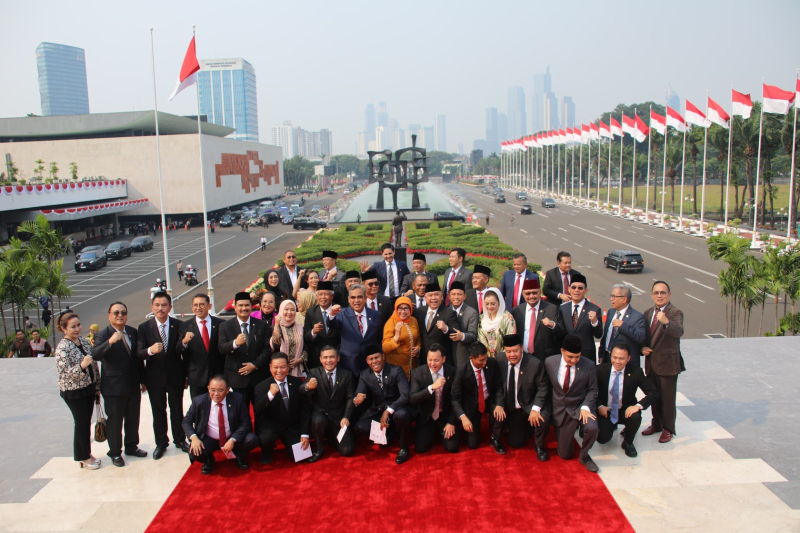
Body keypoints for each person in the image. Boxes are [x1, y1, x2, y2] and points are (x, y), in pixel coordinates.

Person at [92, 302, 146, 467]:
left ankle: (131, 446)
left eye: (123, 312)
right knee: (115, 422)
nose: (119, 315)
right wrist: (110, 342)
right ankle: (115, 452)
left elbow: (137, 358)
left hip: (132, 384)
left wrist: (143, 380)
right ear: (109, 315)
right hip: (114, 387)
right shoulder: (103, 334)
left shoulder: (132, 332)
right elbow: (95, 355)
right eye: (116, 313)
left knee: (133, 418)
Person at [137, 292, 189, 459]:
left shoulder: (178, 325)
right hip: (154, 377)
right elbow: (139, 353)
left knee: (177, 409)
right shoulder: (144, 327)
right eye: (157, 305)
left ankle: (180, 440)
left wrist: (186, 375)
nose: (160, 308)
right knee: (158, 411)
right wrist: (150, 351)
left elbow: (182, 351)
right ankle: (161, 443)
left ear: (170, 307)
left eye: (164, 305)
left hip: (175, 376)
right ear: (152, 307)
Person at [541, 335, 600, 472]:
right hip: (561, 410)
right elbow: (545, 386)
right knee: (565, 454)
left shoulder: (588, 365)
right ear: (562, 351)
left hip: (581, 407)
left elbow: (593, 389)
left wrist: (586, 407)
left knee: (592, 428)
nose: (574, 360)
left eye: (577, 357)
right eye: (570, 357)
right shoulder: (550, 362)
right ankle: (570, 433)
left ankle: (584, 456)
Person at [183, 374, 259, 474]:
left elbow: (246, 423)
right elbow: (186, 421)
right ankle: (208, 460)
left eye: (220, 390)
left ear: (227, 390)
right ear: (208, 388)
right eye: (213, 390)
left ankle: (238, 456)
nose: (216, 394)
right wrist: (194, 438)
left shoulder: (238, 399)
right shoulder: (199, 401)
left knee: (252, 439)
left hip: (231, 436)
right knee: (194, 451)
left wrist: (233, 439)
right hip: (209, 438)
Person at [54, 311, 102, 470]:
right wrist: (82, 366)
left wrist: (97, 386)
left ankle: (87, 454)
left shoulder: (84, 342)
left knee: (86, 422)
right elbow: (65, 374)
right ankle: (83, 457)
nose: (76, 329)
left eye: (78, 325)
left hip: (88, 388)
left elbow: (94, 366)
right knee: (81, 423)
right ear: (63, 329)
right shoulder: (62, 348)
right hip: (74, 391)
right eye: (72, 327)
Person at [353, 346, 416, 464]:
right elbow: (359, 392)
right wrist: (356, 399)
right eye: (371, 359)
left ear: (383, 357)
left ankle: (404, 448)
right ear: (367, 361)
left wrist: (388, 411)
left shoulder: (396, 370)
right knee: (360, 427)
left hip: (397, 408)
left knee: (401, 415)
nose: (374, 361)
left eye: (376, 357)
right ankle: (389, 434)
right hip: (378, 410)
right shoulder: (364, 374)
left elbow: (405, 395)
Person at [596, 343, 659, 458]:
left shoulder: (636, 372)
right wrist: (599, 405)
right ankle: (611, 427)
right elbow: (589, 392)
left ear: (628, 358)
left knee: (635, 416)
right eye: (614, 357)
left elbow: (653, 392)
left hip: (626, 409)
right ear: (610, 356)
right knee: (602, 439)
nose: (617, 361)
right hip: (606, 411)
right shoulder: (600, 370)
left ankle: (628, 442)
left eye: (621, 358)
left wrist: (638, 405)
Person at [641, 281, 684, 444]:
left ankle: (668, 428)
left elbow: (679, 332)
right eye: (656, 293)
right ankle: (656, 424)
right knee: (654, 396)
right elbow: (645, 337)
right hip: (651, 363)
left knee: (667, 399)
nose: (659, 295)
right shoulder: (648, 313)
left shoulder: (675, 312)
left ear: (669, 295)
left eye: (663, 293)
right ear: (652, 295)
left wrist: (666, 322)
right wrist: (642, 347)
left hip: (668, 364)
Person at [496, 334, 549, 459]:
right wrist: (499, 404)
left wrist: (535, 409)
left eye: (515, 351)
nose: (512, 355)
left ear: (522, 348)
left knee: (542, 419)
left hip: (529, 404)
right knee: (515, 443)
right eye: (508, 351)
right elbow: (497, 385)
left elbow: (543, 388)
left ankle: (539, 446)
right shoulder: (500, 360)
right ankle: (524, 428)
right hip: (512, 407)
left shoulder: (535, 364)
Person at [218, 292, 272, 416]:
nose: (244, 308)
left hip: (258, 376)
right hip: (236, 378)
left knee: (261, 411)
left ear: (251, 306)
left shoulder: (261, 325)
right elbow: (221, 348)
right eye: (240, 305)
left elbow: (267, 349)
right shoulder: (225, 326)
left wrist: (255, 364)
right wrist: (235, 343)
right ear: (235, 307)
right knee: (239, 412)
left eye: (247, 305)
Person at [253, 352, 311, 464]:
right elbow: (257, 410)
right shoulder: (261, 386)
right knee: (266, 439)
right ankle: (267, 452)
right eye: (275, 367)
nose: (279, 371)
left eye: (283, 367)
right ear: (270, 367)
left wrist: (304, 434)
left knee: (301, 458)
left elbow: (305, 409)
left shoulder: (297, 382)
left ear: (288, 366)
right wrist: (270, 394)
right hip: (271, 427)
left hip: (291, 427)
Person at [300, 346, 356, 462]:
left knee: (347, 451)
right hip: (321, 414)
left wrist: (346, 417)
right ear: (320, 359)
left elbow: (350, 398)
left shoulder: (347, 374)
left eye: (332, 357)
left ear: (338, 358)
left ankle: (331, 437)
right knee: (318, 420)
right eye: (325, 357)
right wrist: (307, 386)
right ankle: (319, 448)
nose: (328, 360)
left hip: (338, 417)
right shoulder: (314, 372)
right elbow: (301, 389)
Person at [451, 342, 506, 454]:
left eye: (486, 358)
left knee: (501, 414)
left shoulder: (491, 363)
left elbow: (499, 386)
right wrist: (463, 417)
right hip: (472, 406)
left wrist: (499, 404)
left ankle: (495, 439)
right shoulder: (461, 371)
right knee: (473, 444)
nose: (485, 362)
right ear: (472, 358)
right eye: (481, 360)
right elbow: (455, 398)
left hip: (488, 400)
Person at [409, 344, 459, 454]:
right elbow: (413, 398)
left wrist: (452, 422)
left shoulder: (452, 372)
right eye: (430, 360)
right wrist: (431, 388)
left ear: (444, 359)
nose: (432, 364)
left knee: (452, 448)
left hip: (445, 416)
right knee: (420, 448)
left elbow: (456, 399)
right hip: (427, 417)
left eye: (436, 360)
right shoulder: (418, 373)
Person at [327, 284, 382, 376]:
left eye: (360, 297)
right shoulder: (342, 314)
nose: (356, 300)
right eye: (353, 297)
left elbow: (379, 338)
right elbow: (333, 325)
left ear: (365, 298)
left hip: (370, 364)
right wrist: (332, 315)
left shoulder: (376, 315)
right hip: (348, 363)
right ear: (349, 299)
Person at [177, 293, 225, 399]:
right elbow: (178, 350)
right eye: (195, 305)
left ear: (209, 306)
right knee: (199, 409)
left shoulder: (220, 324)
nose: (198, 308)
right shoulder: (185, 326)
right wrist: (184, 341)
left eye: (202, 304)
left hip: (217, 374)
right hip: (196, 376)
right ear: (192, 307)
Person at [510, 278, 564, 363]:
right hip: (523, 356)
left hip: (544, 357)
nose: (531, 296)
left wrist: (552, 324)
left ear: (539, 293)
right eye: (528, 293)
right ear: (523, 294)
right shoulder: (517, 311)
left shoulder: (552, 309)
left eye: (534, 293)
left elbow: (561, 332)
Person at [413, 280, 460, 365]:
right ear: (425, 297)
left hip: (442, 360)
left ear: (441, 296)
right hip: (423, 360)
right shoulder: (419, 312)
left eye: (436, 295)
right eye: (430, 295)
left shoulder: (449, 313)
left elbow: (456, 333)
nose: (433, 298)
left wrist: (446, 329)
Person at [599, 284, 646, 367]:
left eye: (614, 296)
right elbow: (606, 335)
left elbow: (640, 337)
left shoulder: (637, 317)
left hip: (626, 363)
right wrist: (601, 354)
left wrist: (623, 326)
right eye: (611, 296)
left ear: (624, 299)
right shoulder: (611, 312)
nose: (611, 299)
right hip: (607, 359)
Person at [559, 273, 603, 362]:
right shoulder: (562, 308)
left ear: (586, 290)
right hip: (567, 355)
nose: (576, 290)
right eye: (574, 287)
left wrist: (594, 322)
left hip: (586, 355)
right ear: (569, 289)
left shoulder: (594, 309)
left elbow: (598, 335)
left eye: (580, 288)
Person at [302, 281, 340, 368]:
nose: (323, 297)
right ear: (317, 296)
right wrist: (313, 332)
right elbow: (306, 336)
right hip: (317, 357)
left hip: (336, 357)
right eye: (320, 294)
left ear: (332, 296)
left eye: (326, 294)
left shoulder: (339, 310)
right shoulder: (311, 312)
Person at [382, 296, 421, 378]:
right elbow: (385, 348)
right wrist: (396, 336)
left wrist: (418, 348)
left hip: (412, 367)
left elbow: (418, 338)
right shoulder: (391, 323)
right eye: (400, 308)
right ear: (396, 309)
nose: (403, 311)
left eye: (406, 308)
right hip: (396, 369)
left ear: (410, 309)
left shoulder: (413, 320)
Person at [271, 300, 308, 378]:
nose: (289, 312)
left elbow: (306, 346)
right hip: (279, 370)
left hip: (297, 369)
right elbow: (275, 346)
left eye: (292, 310)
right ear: (281, 310)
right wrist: (277, 325)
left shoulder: (300, 327)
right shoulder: (275, 328)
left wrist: (300, 359)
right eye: (286, 309)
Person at [477, 287, 517, 358]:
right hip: (486, 359)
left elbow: (511, 340)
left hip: (504, 358)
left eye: (493, 304)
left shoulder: (507, 318)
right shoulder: (481, 318)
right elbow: (480, 339)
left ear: (499, 302)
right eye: (487, 304)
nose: (489, 307)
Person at [448, 281, 479, 367]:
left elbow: (473, 336)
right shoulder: (446, 311)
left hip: (463, 354)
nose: (456, 297)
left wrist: (462, 336)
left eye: (459, 294)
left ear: (464, 296)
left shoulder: (472, 313)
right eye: (453, 294)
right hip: (448, 355)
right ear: (449, 296)